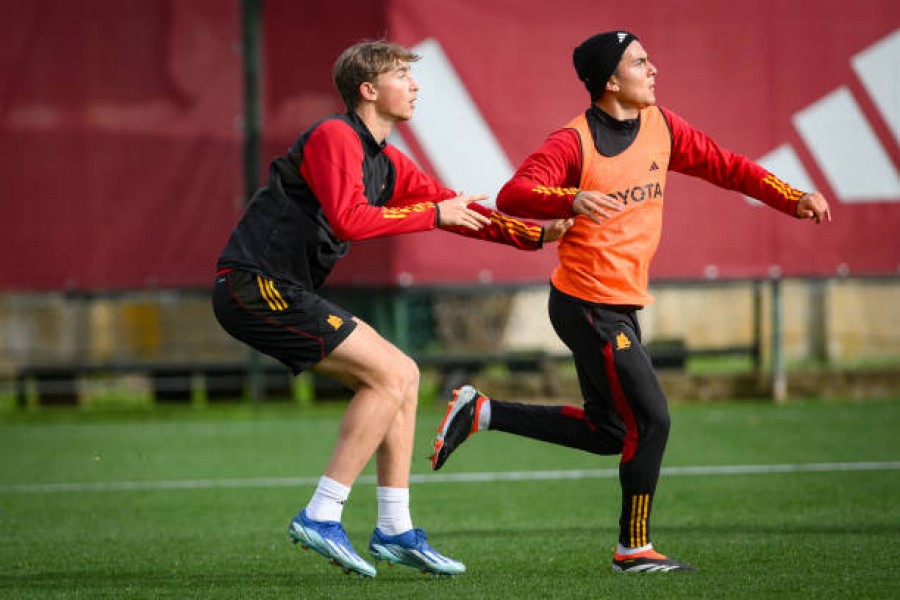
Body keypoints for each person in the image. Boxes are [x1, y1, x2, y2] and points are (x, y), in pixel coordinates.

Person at [430, 30, 832, 574]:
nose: (653, 69)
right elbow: (514, 194)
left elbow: (728, 166)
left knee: (610, 432)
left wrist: (794, 196)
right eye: (641, 62)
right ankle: (633, 549)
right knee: (654, 419)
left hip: (618, 305)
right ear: (611, 80)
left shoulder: (663, 126)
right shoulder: (573, 141)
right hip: (587, 304)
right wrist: (571, 197)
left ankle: (484, 411)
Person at [212, 40, 571, 578]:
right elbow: (351, 220)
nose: (415, 84)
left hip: (285, 289)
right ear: (368, 89)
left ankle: (395, 528)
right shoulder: (335, 135)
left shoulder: (389, 162)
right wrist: (433, 212)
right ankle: (322, 513)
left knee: (403, 379)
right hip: (252, 285)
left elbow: (459, 210)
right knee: (392, 374)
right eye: (401, 74)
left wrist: (538, 235)